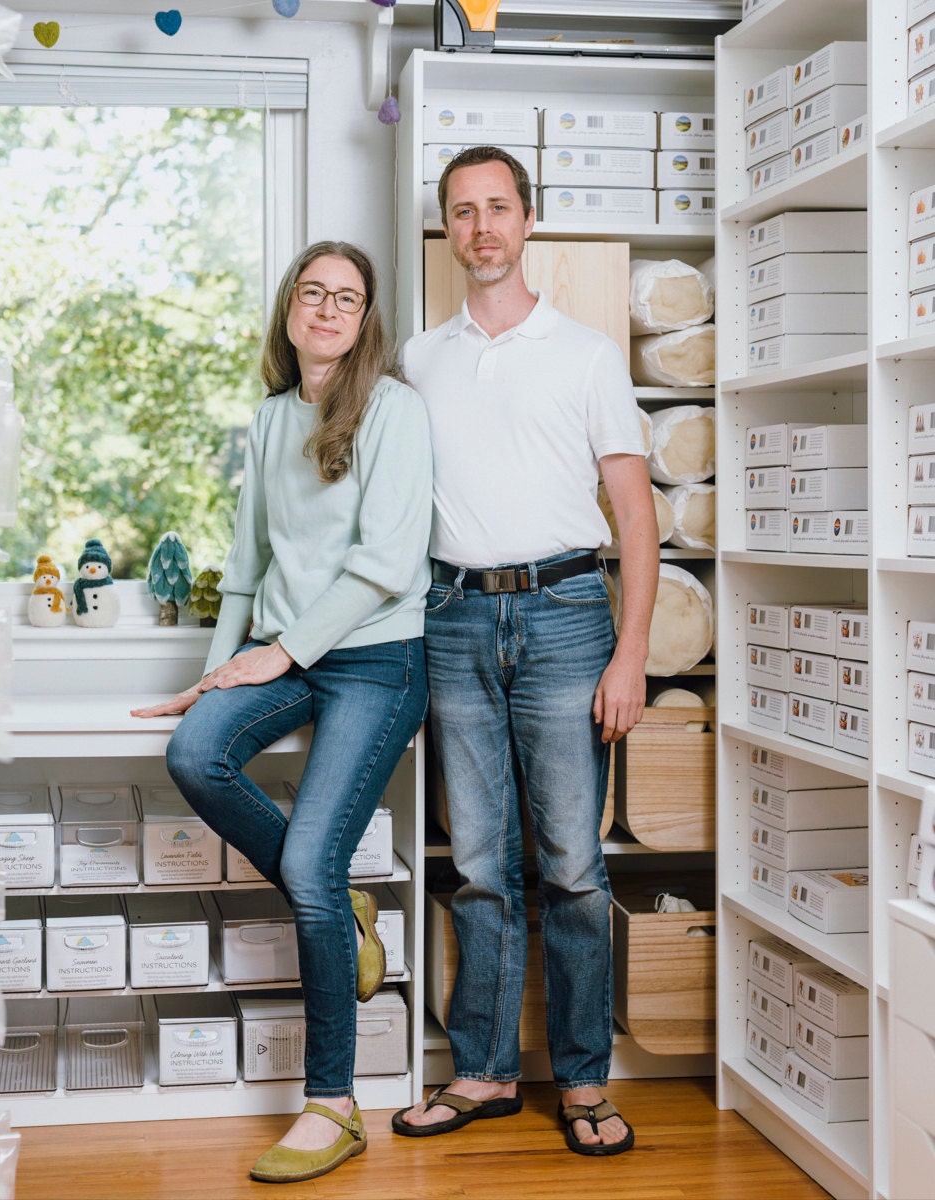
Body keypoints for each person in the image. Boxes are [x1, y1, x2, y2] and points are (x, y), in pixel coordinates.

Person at [131, 241, 432, 1185]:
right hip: (291, 653)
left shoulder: (394, 409)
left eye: (348, 298)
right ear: (291, 310)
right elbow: (249, 569)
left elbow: (386, 563)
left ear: (365, 317)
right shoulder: (269, 420)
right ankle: (339, 906)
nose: (330, 309)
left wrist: (282, 650)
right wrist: (215, 676)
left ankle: (333, 1105)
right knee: (194, 752)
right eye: (315, 294)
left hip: (379, 656)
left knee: (308, 855)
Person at [391, 146, 659, 1157]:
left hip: (564, 617)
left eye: (497, 208)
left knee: (575, 869)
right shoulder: (420, 358)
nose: (481, 228)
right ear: (449, 231)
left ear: (529, 219)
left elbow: (633, 514)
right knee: (481, 867)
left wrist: (628, 650)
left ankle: (584, 1081)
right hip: (454, 616)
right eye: (462, 213)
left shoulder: (585, 353)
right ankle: (484, 1071)